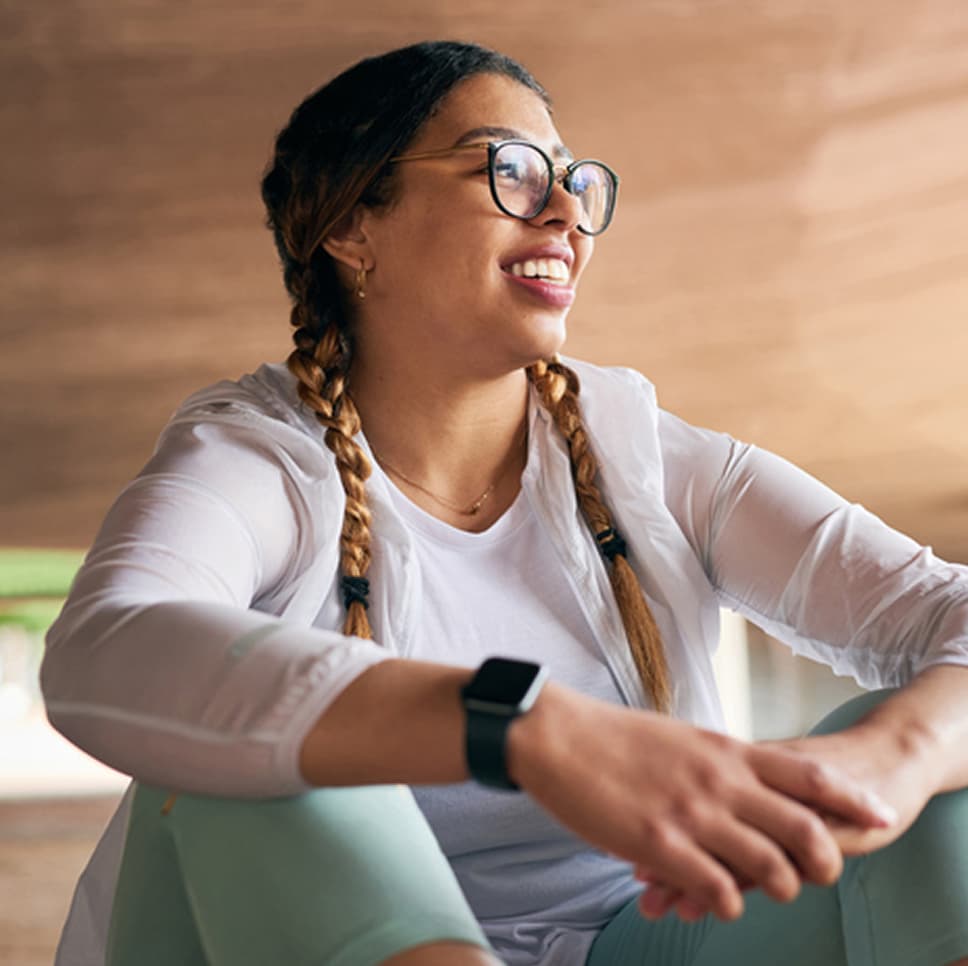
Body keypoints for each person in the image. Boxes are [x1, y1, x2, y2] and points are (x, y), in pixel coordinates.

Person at [41, 40, 968, 966]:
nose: (568, 214)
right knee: (255, 753)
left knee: (937, 770)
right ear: (353, 226)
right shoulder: (261, 459)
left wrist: (883, 764)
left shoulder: (648, 459)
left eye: (575, 182)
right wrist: (523, 725)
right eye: (512, 171)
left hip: (644, 938)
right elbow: (105, 645)